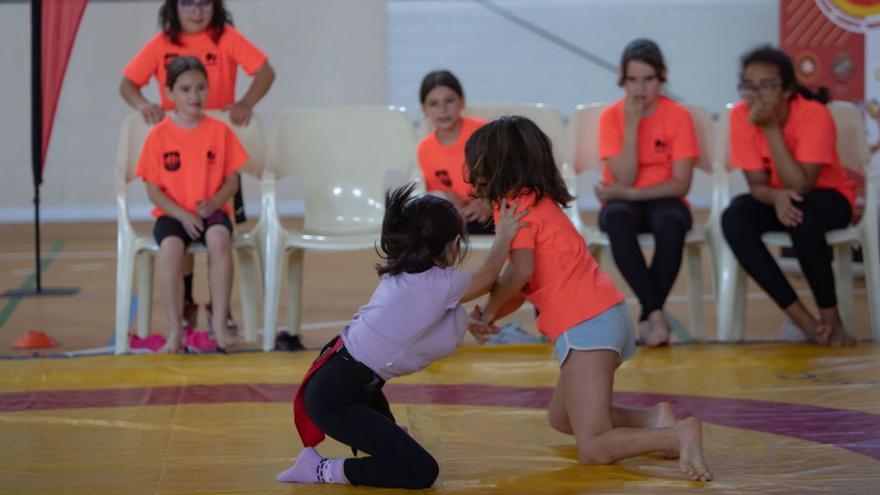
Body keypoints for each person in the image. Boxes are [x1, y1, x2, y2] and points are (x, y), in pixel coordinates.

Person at [467, 116, 712, 481]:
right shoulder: (538, 202)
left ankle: (677, 436)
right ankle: (654, 419)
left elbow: (517, 272)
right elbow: (522, 284)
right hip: (603, 317)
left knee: (594, 446)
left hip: (587, 325)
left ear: (494, 165)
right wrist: (492, 314)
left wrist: (487, 309)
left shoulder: (513, 208)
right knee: (562, 417)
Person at [275, 183, 526, 489]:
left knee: (395, 450)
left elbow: (414, 324)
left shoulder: (407, 274)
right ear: (452, 245)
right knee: (421, 472)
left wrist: (469, 325)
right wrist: (505, 234)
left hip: (347, 382)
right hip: (337, 395)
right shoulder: (439, 283)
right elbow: (488, 276)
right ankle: (319, 469)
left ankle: (379, 444)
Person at [120, 0, 275, 331]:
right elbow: (127, 84)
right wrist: (144, 105)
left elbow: (265, 71)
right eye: (188, 3)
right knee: (180, 233)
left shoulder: (225, 37)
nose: (196, 11)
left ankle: (221, 308)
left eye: (205, 3)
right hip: (176, 148)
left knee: (219, 233)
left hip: (216, 154)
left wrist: (245, 103)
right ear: (174, 7)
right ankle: (187, 302)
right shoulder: (162, 43)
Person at [721, 46, 857, 347]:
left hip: (829, 197)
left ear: (787, 89)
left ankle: (832, 321)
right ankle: (804, 322)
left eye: (767, 85)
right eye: (749, 86)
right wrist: (777, 197)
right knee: (734, 217)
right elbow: (756, 185)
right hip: (778, 197)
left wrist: (770, 128)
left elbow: (803, 184)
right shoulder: (741, 116)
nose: (757, 94)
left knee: (802, 212)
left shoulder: (813, 114)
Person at [135, 56, 246, 353]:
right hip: (174, 214)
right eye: (185, 89)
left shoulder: (220, 131)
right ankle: (175, 331)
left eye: (200, 88)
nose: (194, 96)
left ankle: (219, 324)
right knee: (170, 250)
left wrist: (213, 204)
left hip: (211, 211)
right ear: (169, 94)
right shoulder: (158, 136)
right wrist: (182, 214)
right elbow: (153, 191)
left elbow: (232, 182)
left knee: (220, 239)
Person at [596, 39, 699, 346]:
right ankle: (655, 315)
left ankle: (647, 314)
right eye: (632, 80)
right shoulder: (611, 117)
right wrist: (631, 126)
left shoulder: (679, 116)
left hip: (664, 198)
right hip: (622, 202)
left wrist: (625, 193)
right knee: (616, 219)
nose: (640, 89)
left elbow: (681, 184)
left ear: (662, 77)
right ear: (622, 80)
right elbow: (624, 175)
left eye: (648, 79)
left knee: (671, 223)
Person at [417, 70, 494, 235]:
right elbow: (444, 194)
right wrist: (454, 209)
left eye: (449, 101)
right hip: (465, 216)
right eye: (434, 103)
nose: (443, 109)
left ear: (462, 102)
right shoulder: (425, 149)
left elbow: (510, 177)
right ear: (423, 109)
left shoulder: (484, 132)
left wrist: (490, 202)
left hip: (495, 208)